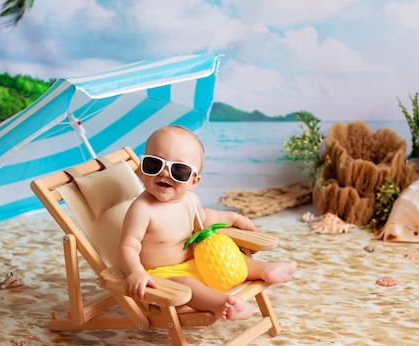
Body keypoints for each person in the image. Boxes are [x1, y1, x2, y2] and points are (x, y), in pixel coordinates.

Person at [118, 125, 297, 321]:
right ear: (142, 170)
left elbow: (206, 217)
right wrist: (136, 273)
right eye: (154, 164)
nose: (165, 173)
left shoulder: (190, 200)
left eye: (179, 170)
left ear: (194, 181)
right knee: (188, 286)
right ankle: (223, 303)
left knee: (228, 253)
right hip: (162, 276)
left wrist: (233, 218)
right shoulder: (142, 209)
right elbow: (128, 245)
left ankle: (263, 269)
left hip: (195, 262)